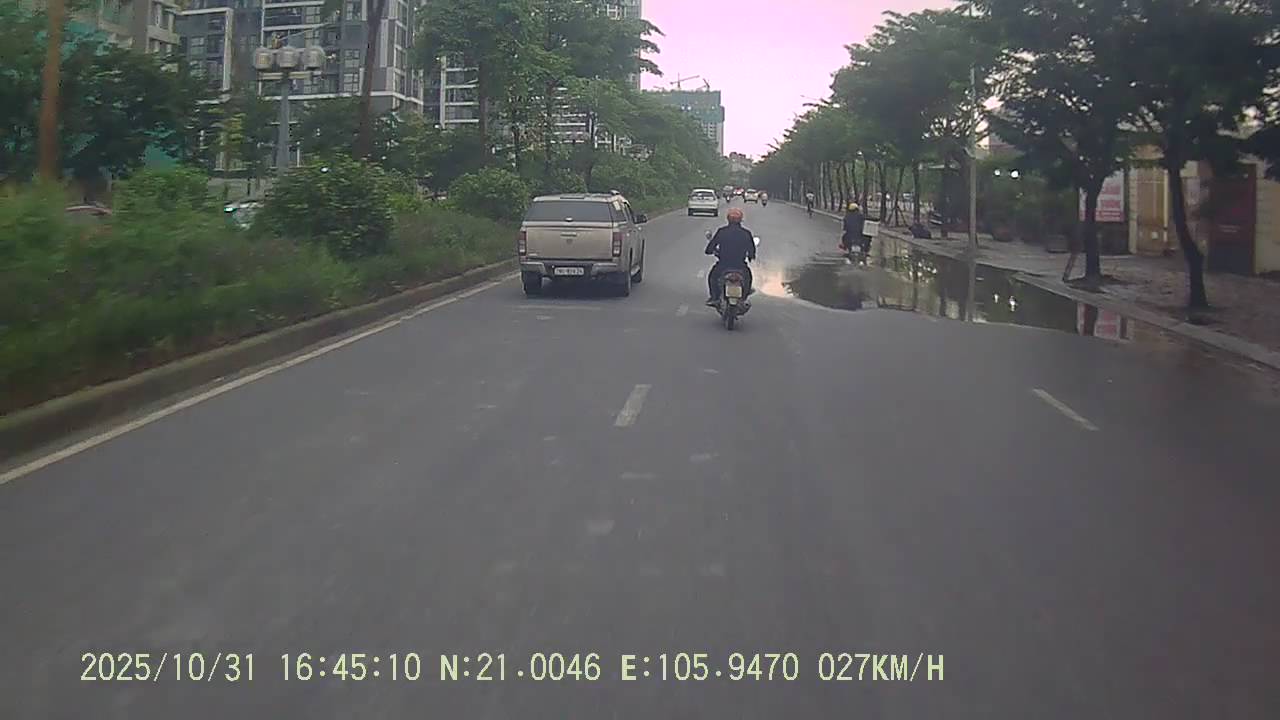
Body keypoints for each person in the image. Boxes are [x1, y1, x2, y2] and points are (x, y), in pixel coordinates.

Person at [705, 207, 756, 306]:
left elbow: (710, 248)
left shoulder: (722, 231)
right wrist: (751, 256)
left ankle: (714, 298)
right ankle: (744, 296)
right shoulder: (746, 233)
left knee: (713, 277)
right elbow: (752, 250)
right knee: (748, 277)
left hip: (723, 265)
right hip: (740, 266)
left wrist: (711, 251)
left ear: (728, 219)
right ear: (740, 219)